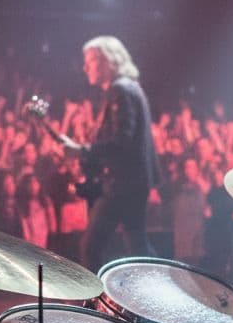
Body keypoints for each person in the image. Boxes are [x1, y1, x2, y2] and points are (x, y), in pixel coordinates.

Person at [57, 35, 162, 270]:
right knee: (138, 244)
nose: (85, 67)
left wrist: (81, 150)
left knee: (91, 246)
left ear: (109, 61)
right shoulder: (128, 88)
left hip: (122, 182)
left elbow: (121, 141)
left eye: (91, 60)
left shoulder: (120, 91)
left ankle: (95, 303)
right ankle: (162, 291)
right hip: (134, 180)